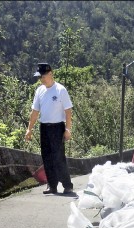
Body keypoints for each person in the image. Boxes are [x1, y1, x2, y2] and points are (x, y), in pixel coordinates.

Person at [25, 62, 78, 198]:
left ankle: (67, 185)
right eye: (39, 77)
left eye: (42, 76)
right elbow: (35, 112)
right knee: (47, 157)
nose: (41, 79)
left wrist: (68, 129)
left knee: (58, 157)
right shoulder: (39, 91)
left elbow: (68, 111)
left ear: (50, 74)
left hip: (57, 127)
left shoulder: (60, 90)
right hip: (44, 127)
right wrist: (29, 129)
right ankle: (52, 185)